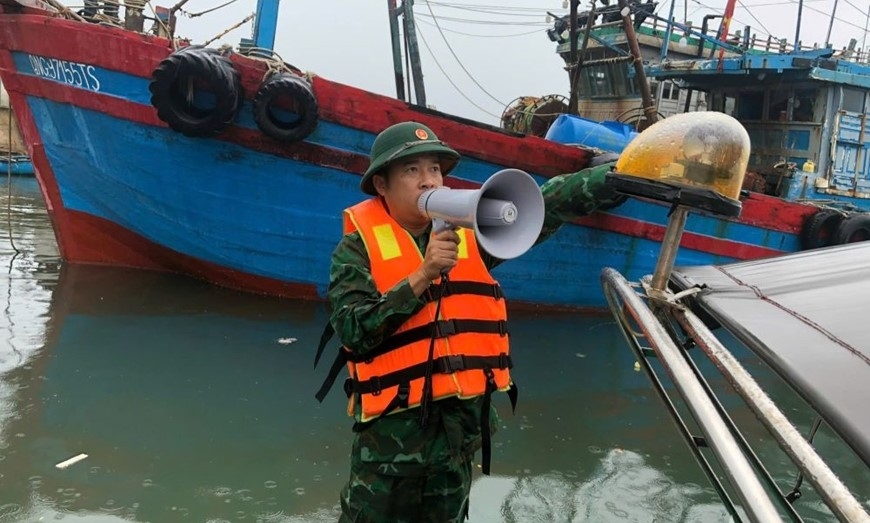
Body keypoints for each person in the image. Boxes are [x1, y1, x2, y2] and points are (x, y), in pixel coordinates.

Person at [316, 121, 625, 523]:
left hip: (456, 446)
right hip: (390, 455)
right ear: (381, 185)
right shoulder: (356, 250)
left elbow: (547, 205)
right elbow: (354, 330)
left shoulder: (466, 235)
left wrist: (615, 178)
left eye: (434, 169)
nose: (428, 180)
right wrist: (422, 276)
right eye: (411, 170)